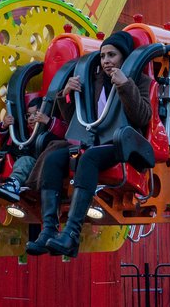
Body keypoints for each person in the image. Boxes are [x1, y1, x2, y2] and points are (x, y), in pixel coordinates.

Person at [25, 31, 153, 258]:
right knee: (53, 158)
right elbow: (77, 120)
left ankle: (72, 234)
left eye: (112, 55)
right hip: (94, 140)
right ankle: (49, 230)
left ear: (124, 57)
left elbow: (142, 117)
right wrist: (67, 95)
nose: (106, 61)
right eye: (103, 56)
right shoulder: (94, 81)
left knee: (89, 158)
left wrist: (125, 85)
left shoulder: (141, 81)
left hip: (125, 143)